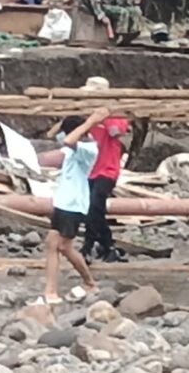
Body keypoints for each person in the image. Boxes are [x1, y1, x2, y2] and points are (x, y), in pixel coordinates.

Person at [41, 108, 110, 304]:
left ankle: (89, 282)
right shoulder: (74, 146)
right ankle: (51, 291)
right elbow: (56, 136)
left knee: (64, 246)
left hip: (73, 204)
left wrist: (91, 121)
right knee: (52, 244)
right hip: (63, 202)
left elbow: (68, 140)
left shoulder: (88, 149)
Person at [78, 78, 130, 264]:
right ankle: (108, 245)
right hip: (89, 169)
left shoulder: (115, 115)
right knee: (92, 210)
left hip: (107, 169)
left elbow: (116, 131)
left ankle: (88, 246)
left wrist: (104, 114)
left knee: (94, 206)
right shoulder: (84, 114)